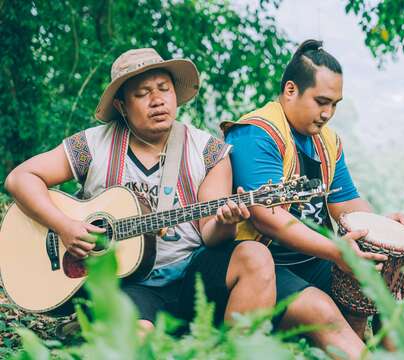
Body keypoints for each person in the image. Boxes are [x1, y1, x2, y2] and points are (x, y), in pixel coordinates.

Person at [5, 47, 276, 333]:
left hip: (192, 275)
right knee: (138, 338)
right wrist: (63, 226)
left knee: (255, 257)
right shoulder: (93, 145)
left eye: (164, 89)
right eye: (142, 93)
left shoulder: (210, 152)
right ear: (121, 105)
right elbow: (20, 178)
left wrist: (225, 222)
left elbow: (211, 234)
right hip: (128, 286)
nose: (157, 101)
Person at [222, 40, 404, 358]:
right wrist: (338, 252)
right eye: (321, 101)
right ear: (291, 90)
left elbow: (346, 202)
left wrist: (381, 228)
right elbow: (269, 219)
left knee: (388, 291)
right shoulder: (255, 134)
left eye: (335, 104)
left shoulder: (327, 141)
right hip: (267, 267)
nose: (328, 114)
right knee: (322, 313)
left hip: (318, 262)